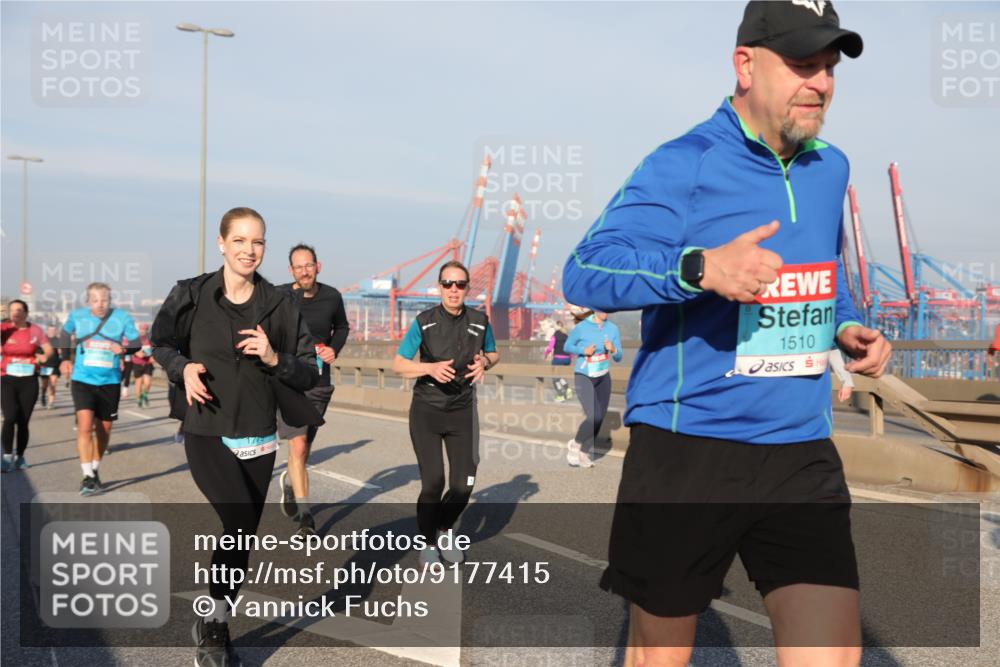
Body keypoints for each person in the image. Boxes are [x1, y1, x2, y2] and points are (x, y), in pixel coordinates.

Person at [562, 2, 892, 665]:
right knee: (660, 656)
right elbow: (585, 271)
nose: (821, 83)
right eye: (803, 64)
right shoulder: (684, 163)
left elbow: (828, 274)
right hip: (690, 447)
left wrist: (850, 326)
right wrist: (701, 267)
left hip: (799, 448)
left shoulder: (832, 168)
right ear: (745, 65)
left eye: (829, 67)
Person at [152, 207, 320, 667]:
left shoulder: (281, 304)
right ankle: (213, 624)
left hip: (259, 435)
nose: (250, 250)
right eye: (241, 240)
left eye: (258, 242)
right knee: (239, 521)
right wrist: (181, 367)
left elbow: (309, 371)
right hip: (206, 429)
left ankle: (217, 619)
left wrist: (273, 357)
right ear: (222, 243)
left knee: (241, 535)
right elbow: (160, 343)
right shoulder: (190, 294)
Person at [391, 260, 499, 566]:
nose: (454, 290)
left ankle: (443, 529)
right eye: (448, 284)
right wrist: (428, 367)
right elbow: (399, 363)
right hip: (428, 410)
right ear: (440, 287)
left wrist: (486, 363)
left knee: (464, 483)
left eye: (460, 285)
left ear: (467, 288)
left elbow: (493, 352)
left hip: (463, 411)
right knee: (434, 482)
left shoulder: (480, 320)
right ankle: (427, 542)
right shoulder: (424, 321)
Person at [276, 243, 351, 536]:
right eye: (299, 266)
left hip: (319, 383)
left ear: (318, 266)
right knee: (297, 444)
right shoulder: (281, 296)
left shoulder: (332, 296)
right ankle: (306, 518)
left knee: (304, 447)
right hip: (288, 382)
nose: (304, 271)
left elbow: (342, 327)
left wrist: (334, 349)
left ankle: (291, 483)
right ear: (291, 270)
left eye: (309, 265)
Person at [63, 283, 141, 495]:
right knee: (85, 427)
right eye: (95, 300)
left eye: (104, 300)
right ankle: (87, 475)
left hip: (110, 381)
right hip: (83, 379)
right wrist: (64, 359)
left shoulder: (121, 317)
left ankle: (95, 469)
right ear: (88, 301)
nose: (100, 304)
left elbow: (136, 343)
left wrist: (123, 348)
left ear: (110, 300)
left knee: (104, 429)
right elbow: (64, 333)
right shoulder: (77, 316)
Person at [562, 309, 623, 468]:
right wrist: (583, 351)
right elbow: (567, 346)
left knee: (600, 418)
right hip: (584, 375)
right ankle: (575, 444)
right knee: (594, 416)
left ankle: (584, 452)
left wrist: (613, 349)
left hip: (603, 376)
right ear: (595, 309)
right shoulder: (582, 327)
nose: (606, 312)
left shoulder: (612, 328)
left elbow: (619, 356)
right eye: (602, 308)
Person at [1, 300, 54, 472]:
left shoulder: (35, 330)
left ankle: (20, 457)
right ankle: (6, 456)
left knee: (23, 421)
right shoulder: (5, 328)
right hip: (7, 378)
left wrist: (44, 357)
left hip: (29, 380)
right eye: (12, 310)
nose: (14, 313)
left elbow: (49, 350)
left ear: (26, 313)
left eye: (18, 310)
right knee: (9, 418)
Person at [542, 320, 573, 402]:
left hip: (558, 358)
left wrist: (545, 354)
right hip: (567, 359)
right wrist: (570, 357)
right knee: (561, 375)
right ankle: (567, 389)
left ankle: (560, 395)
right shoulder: (567, 336)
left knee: (555, 377)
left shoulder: (555, 336)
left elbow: (550, 348)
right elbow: (571, 348)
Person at [130, 322, 155, 408]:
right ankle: (139, 399)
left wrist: (153, 357)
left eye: (144, 329)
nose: (142, 331)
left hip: (148, 363)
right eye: (141, 329)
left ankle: (144, 395)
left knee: (148, 383)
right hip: (137, 363)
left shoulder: (150, 339)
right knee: (139, 382)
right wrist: (137, 353)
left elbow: (155, 349)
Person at [38, 324, 64, 409]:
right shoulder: (43, 339)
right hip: (45, 366)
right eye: (50, 330)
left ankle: (51, 403)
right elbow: (38, 352)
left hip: (54, 366)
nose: (52, 332)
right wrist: (40, 359)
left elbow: (62, 353)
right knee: (44, 385)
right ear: (47, 331)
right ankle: (43, 395)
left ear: (56, 331)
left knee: (53, 384)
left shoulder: (58, 340)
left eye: (54, 330)